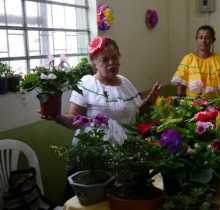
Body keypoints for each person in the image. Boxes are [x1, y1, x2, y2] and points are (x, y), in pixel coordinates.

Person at [55, 36, 161, 201]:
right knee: (97, 202)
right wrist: (58, 117)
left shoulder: (125, 83)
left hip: (125, 155)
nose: (112, 63)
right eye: (105, 59)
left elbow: (136, 112)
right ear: (93, 62)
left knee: (124, 198)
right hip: (95, 156)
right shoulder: (87, 84)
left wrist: (150, 100)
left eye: (115, 57)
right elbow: (75, 120)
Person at [171, 25, 220, 98]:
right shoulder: (188, 59)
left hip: (214, 105)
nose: (203, 40)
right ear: (196, 39)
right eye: (200, 37)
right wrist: (180, 101)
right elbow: (180, 84)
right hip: (191, 105)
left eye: (207, 38)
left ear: (213, 40)